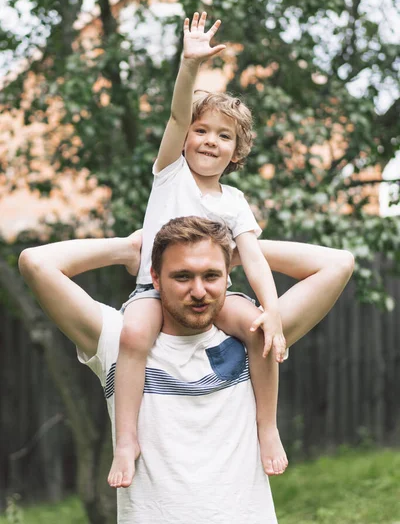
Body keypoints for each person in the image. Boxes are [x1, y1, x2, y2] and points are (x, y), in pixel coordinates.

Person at [18, 215, 354, 524]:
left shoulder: (255, 337)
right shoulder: (118, 341)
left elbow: (338, 264)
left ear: (227, 277)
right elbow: (35, 263)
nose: (198, 291)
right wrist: (129, 248)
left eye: (211, 275)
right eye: (182, 276)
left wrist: (240, 250)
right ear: (156, 277)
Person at [111, 11, 288, 488]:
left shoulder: (234, 202)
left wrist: (271, 311)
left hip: (214, 294)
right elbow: (175, 112)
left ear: (237, 152)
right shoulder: (170, 172)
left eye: (224, 136)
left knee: (258, 332)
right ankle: (125, 438)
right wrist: (189, 65)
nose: (210, 140)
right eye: (202, 130)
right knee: (131, 335)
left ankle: (267, 427)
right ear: (186, 138)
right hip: (155, 290)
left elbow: (252, 259)